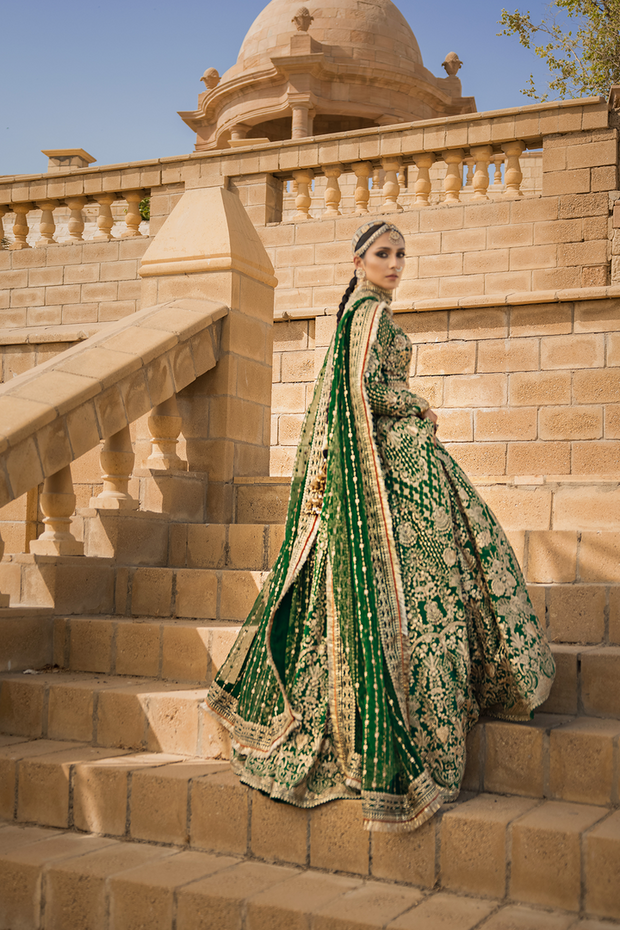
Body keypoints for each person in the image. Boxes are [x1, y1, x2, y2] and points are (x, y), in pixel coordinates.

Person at [205, 220, 555, 832]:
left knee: (445, 580)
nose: (395, 264)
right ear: (359, 260)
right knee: (430, 588)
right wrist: (414, 405)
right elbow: (361, 393)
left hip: (398, 470)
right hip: (389, 473)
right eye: (383, 254)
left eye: (400, 254)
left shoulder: (360, 314)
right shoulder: (366, 315)